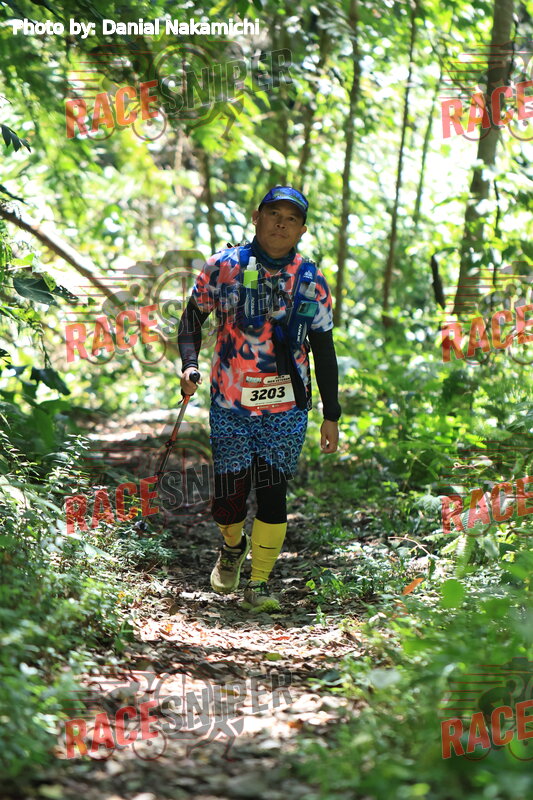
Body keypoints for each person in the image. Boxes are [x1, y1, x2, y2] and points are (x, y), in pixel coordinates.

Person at [178, 185, 341, 613]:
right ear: (256, 217)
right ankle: (233, 545)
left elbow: (324, 349)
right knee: (228, 500)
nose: (281, 224)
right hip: (230, 402)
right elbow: (192, 318)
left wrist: (332, 413)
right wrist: (190, 365)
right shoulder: (223, 267)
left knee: (272, 491)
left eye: (291, 219)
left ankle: (260, 582)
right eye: (274, 214)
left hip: (286, 406)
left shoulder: (311, 280)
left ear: (302, 230)